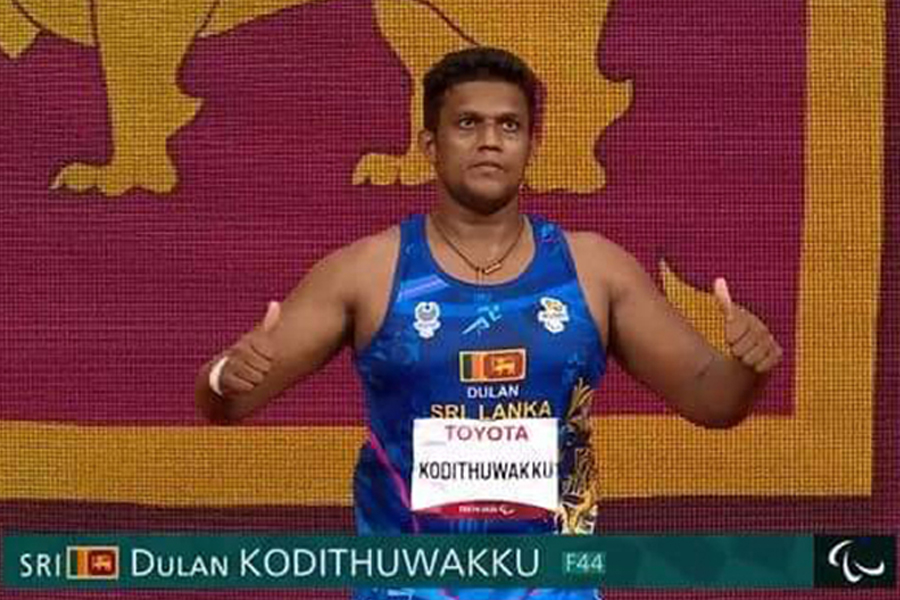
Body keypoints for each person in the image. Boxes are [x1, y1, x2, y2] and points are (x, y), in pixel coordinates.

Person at [195, 47, 782, 600]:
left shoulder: (595, 269)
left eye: (509, 126)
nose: (490, 142)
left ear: (532, 144)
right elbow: (229, 403)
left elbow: (713, 400)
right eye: (468, 124)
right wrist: (226, 377)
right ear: (429, 143)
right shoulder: (366, 271)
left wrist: (746, 368)